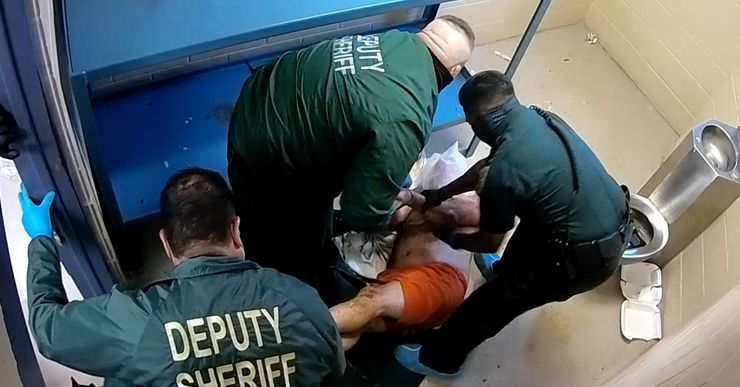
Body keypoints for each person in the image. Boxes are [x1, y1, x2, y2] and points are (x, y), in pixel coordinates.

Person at [395, 70, 633, 378]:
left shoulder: (506, 172)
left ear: (479, 121)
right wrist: (438, 195)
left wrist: (452, 237)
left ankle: (440, 359)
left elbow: (489, 240)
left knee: (492, 304)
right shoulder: (534, 119)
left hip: (585, 259)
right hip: (601, 211)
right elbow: (488, 164)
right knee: (534, 223)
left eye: (469, 122)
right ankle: (505, 270)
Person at [227, 16, 475, 305]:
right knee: (293, 246)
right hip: (269, 159)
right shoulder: (408, 116)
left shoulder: (391, 40)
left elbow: (357, 117)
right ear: (455, 70)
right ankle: (274, 291)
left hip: (256, 103)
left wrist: (393, 172)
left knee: (264, 214)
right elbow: (362, 212)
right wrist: (387, 213)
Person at [21, 168, 344, 386]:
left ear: (165, 241)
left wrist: (42, 241)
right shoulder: (300, 298)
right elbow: (332, 370)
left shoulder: (136, 320)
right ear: (236, 230)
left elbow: (47, 329)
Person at [329, 195, 476, 350]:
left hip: (441, 281)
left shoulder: (463, 210)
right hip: (406, 273)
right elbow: (395, 217)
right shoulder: (424, 199)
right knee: (365, 320)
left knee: (369, 303)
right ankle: (311, 345)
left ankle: (307, 329)